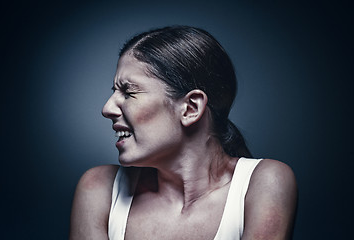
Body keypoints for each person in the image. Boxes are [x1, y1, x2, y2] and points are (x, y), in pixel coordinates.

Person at [69, 25, 297, 240]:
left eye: (129, 92)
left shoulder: (264, 182)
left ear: (190, 108)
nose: (107, 109)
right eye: (114, 91)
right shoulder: (100, 188)